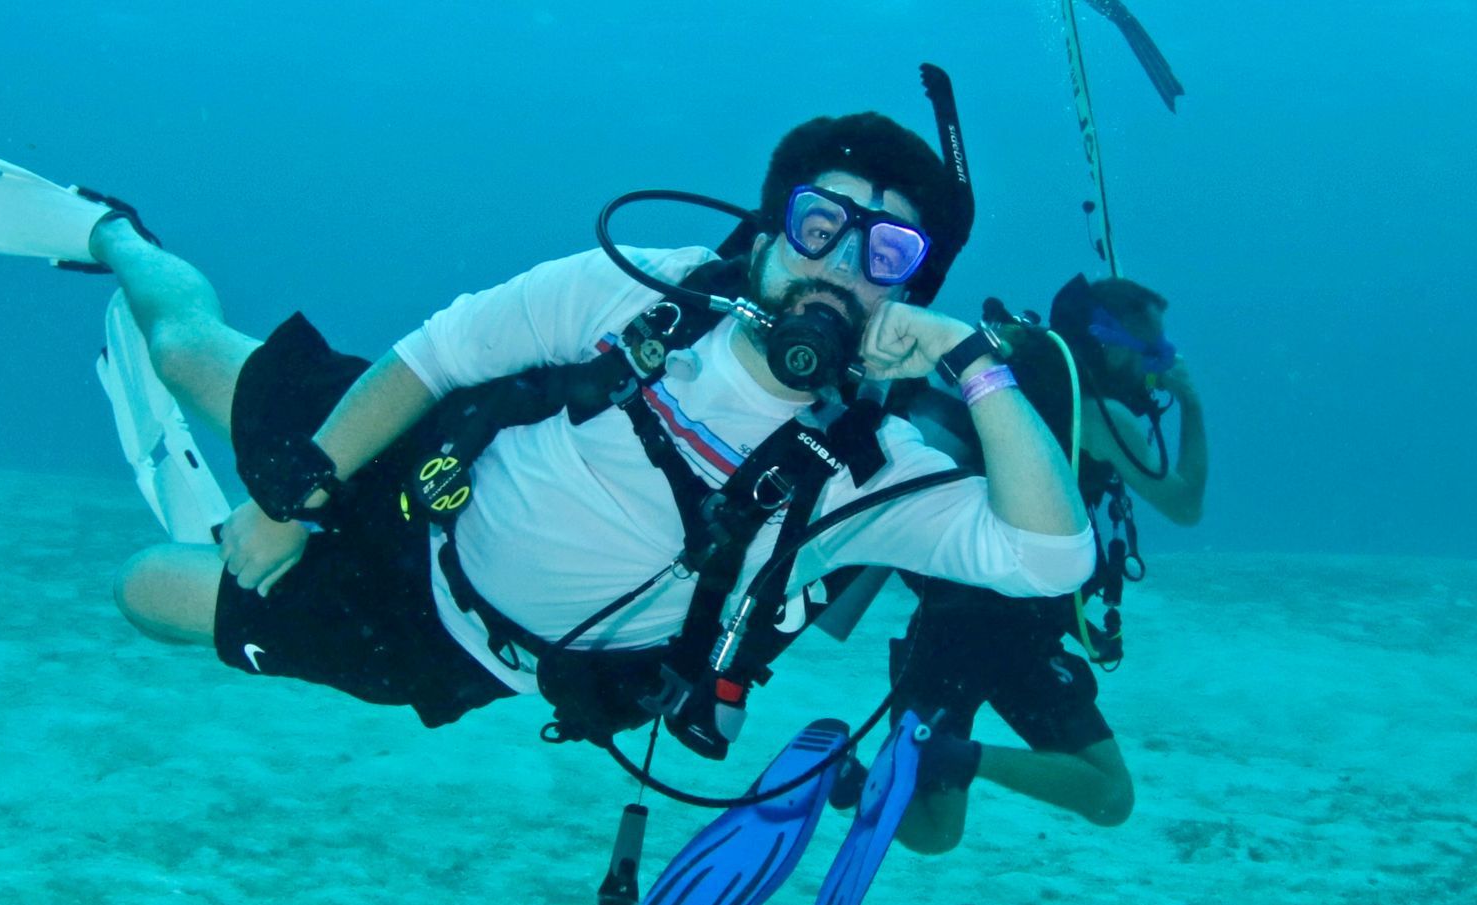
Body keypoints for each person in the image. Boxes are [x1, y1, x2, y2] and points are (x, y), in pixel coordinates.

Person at [91, 107, 1095, 748]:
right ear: (767, 231)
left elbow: (1049, 558)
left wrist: (975, 367)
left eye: (886, 254)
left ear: (908, 293)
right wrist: (287, 498)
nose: (839, 267)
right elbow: (437, 356)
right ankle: (111, 233)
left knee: (142, 590)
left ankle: (238, 538)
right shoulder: (642, 287)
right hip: (409, 459)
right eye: (819, 227)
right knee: (186, 351)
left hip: (443, 639)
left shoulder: (869, 472)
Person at [885, 273, 1208, 853]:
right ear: (1109, 344)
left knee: (936, 833)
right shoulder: (1101, 415)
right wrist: (1190, 401)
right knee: (1109, 796)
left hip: (964, 616)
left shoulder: (1027, 390)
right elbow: (1185, 506)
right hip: (1005, 629)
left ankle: (875, 773)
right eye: (1152, 352)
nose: (1159, 366)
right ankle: (947, 756)